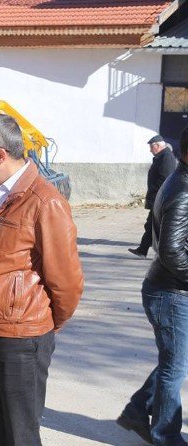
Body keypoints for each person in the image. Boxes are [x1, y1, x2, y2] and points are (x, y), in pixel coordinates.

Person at [0, 114, 83, 445]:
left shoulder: (45, 201)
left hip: (20, 342)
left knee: (20, 436)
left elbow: (67, 282)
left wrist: (39, 326)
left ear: (0, 155)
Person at [118, 125, 188, 446]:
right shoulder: (182, 190)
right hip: (170, 293)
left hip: (172, 289)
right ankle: (165, 436)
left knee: (174, 360)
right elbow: (172, 249)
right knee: (174, 367)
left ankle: (137, 409)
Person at [129, 134, 176, 259]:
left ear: (159, 146)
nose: (150, 150)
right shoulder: (162, 156)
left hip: (161, 198)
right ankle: (143, 250)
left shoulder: (166, 157)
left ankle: (153, 250)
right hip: (158, 198)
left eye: (151, 147)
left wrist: (160, 196)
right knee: (152, 225)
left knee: (154, 225)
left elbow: (166, 180)